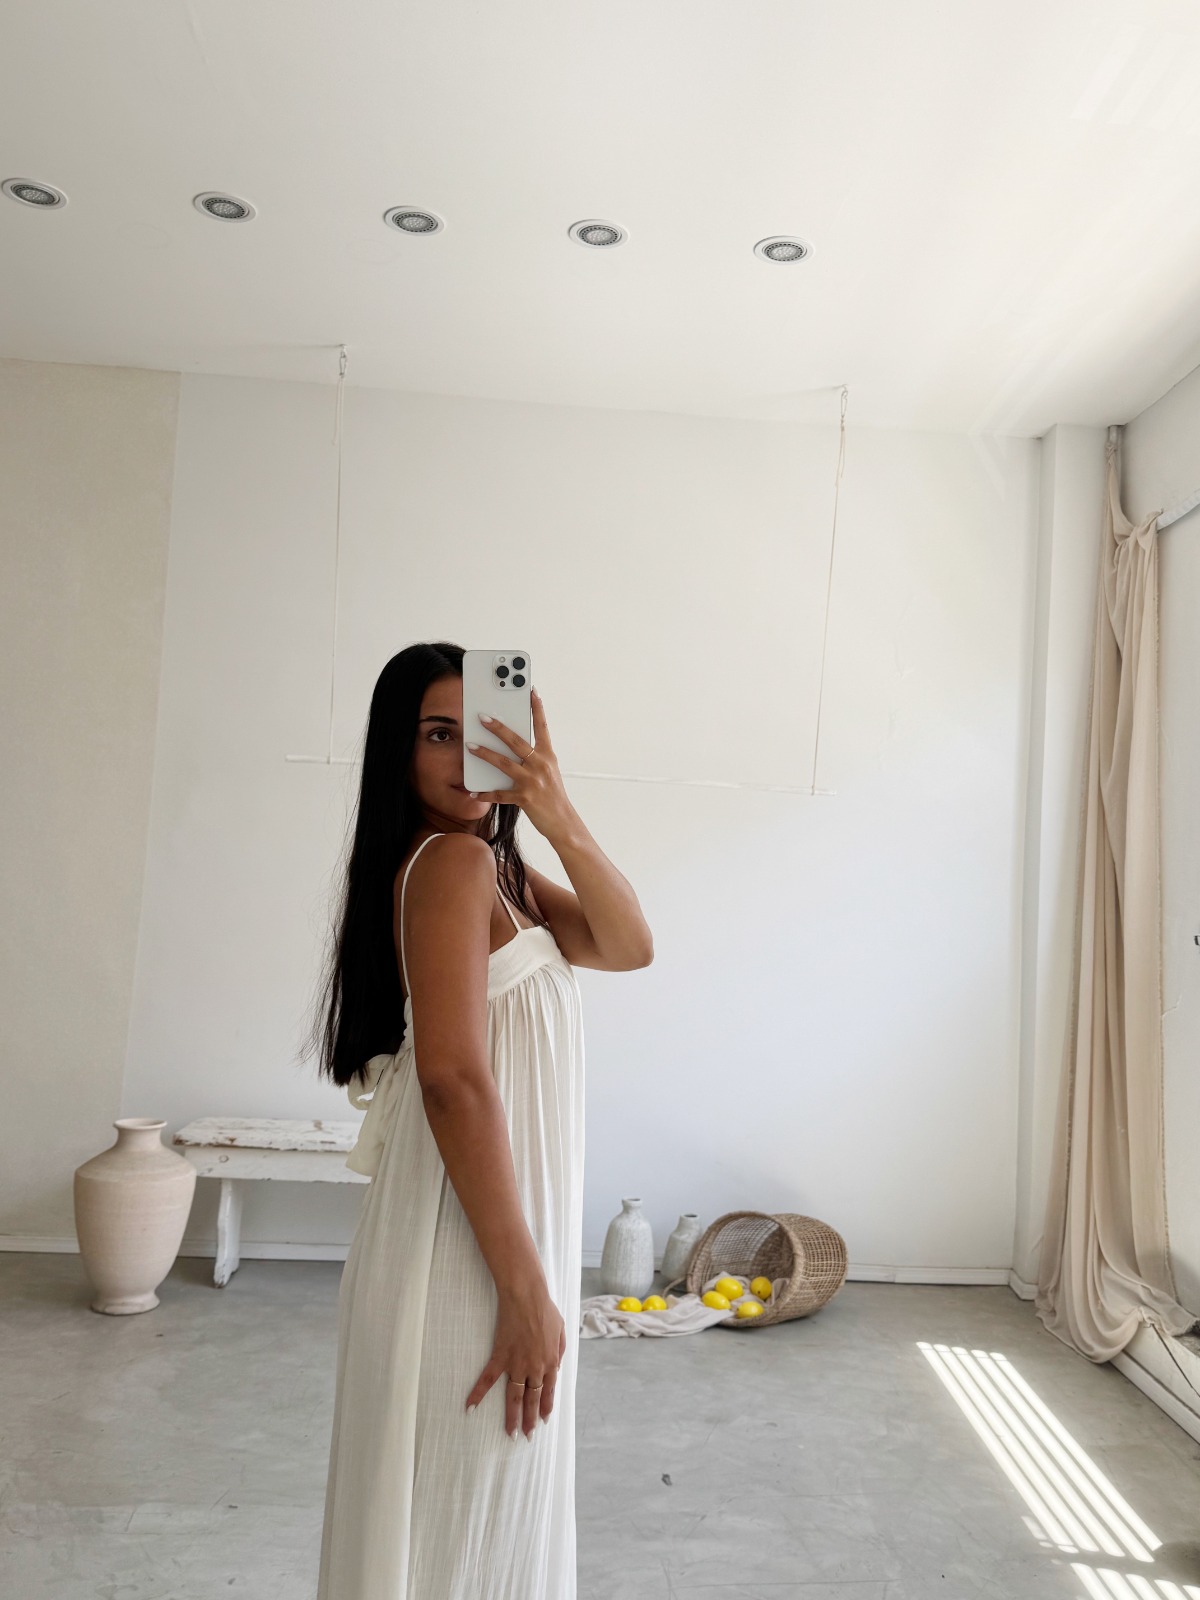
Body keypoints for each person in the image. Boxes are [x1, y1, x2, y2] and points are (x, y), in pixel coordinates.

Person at [308, 641, 653, 1599]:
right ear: (398, 751)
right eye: (437, 734)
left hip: (484, 1241)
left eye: (481, 733)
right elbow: (453, 1081)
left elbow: (630, 944)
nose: (464, 758)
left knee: (468, 1531)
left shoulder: (498, 873)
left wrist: (555, 809)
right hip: (469, 1262)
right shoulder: (452, 863)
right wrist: (526, 1289)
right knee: (466, 1536)